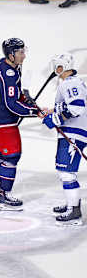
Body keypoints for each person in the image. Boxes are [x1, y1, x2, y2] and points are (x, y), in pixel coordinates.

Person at [0, 38, 40, 211]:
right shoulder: (9, 73)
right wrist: (33, 111)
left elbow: (14, 95)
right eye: (20, 52)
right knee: (11, 155)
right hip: (2, 120)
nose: (24, 55)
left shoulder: (5, 65)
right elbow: (11, 104)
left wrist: (26, 100)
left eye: (24, 51)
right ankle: (3, 197)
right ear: (10, 55)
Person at [40, 53, 87, 226]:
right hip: (72, 132)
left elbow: (77, 108)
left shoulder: (70, 83)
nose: (55, 69)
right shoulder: (69, 83)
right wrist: (52, 112)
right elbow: (67, 106)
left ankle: (74, 212)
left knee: (66, 172)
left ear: (62, 67)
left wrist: (55, 119)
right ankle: (71, 204)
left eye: (57, 66)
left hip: (74, 133)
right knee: (64, 170)